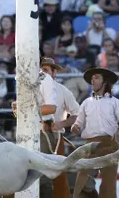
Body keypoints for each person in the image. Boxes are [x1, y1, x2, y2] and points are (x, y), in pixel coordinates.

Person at [71, 67, 119, 198]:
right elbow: (78, 123)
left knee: (108, 184)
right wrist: (75, 127)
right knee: (83, 181)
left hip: (109, 144)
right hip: (90, 146)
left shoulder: (115, 102)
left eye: (96, 77)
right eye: (91, 79)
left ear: (105, 82)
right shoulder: (86, 103)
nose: (92, 80)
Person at [12, 61, 58, 197]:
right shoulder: (22, 79)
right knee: (25, 174)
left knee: (42, 176)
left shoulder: (45, 78)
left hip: (42, 130)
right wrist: (17, 108)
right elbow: (20, 111)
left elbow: (51, 107)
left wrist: (26, 108)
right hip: (25, 130)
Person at [40, 57, 80, 198]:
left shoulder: (63, 91)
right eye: (39, 69)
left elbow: (78, 114)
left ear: (54, 72)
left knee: (57, 179)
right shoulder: (30, 89)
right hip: (32, 135)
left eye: (45, 70)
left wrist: (62, 124)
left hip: (55, 137)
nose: (41, 73)